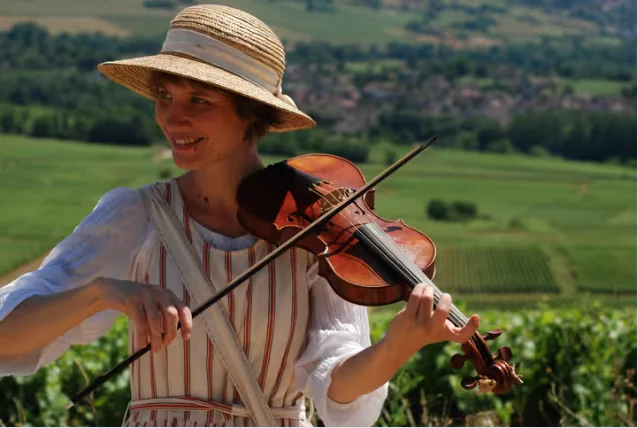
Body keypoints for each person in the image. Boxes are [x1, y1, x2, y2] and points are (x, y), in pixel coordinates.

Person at [0, 4, 479, 427]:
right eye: (165, 97)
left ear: (251, 114)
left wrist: (398, 344)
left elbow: (339, 388)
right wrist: (102, 293)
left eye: (199, 101)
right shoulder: (135, 214)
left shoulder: (316, 229)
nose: (172, 118)